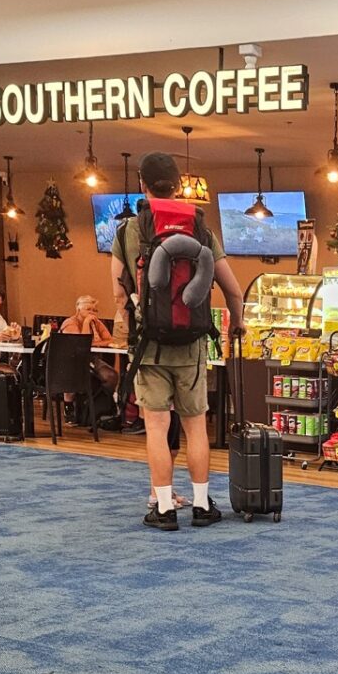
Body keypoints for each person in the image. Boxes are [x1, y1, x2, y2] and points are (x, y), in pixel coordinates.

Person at [112, 151, 245, 532]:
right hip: (191, 344)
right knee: (196, 427)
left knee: (156, 426)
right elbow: (233, 290)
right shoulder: (201, 229)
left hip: (149, 346)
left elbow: (120, 295)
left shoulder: (129, 231)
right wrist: (238, 323)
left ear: (142, 184)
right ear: (178, 184)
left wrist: (129, 324)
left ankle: (165, 508)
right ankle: (202, 505)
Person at [58, 295, 119, 424]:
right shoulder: (70, 323)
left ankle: (97, 406)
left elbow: (110, 340)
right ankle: (69, 407)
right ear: (78, 310)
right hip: (70, 360)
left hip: (91, 358)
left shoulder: (96, 322)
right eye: (88, 309)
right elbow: (81, 343)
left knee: (111, 376)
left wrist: (95, 343)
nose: (92, 313)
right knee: (75, 375)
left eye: (94, 310)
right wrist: (86, 323)